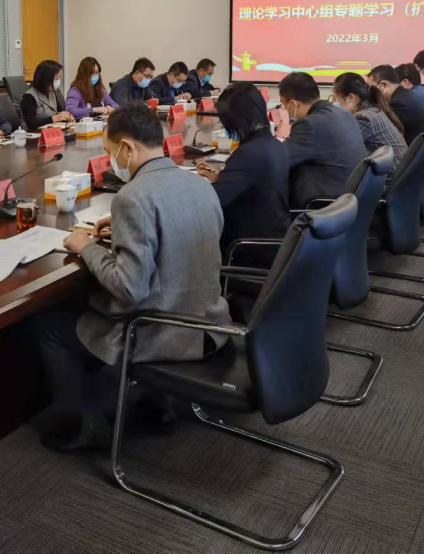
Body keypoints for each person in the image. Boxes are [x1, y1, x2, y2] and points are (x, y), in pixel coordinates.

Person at [39, 104, 230, 452]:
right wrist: (126, 231)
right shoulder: (200, 184)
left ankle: (86, 423)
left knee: (51, 326)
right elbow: (180, 236)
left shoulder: (132, 196)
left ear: (127, 148)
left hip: (163, 331)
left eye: (110, 152)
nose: (111, 161)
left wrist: (85, 247)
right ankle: (152, 401)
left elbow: (129, 288)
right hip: (209, 322)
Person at [194, 82, 289, 262]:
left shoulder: (249, 153)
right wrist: (222, 178)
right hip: (274, 240)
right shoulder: (275, 145)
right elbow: (254, 186)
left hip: (247, 249)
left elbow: (212, 201)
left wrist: (188, 187)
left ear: (235, 120)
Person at [279, 72, 366, 209]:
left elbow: (279, 160)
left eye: (283, 104)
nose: (284, 109)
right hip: (348, 200)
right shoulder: (344, 114)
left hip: (323, 205)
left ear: (293, 104)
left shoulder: (310, 124)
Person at [330, 72, 407, 170]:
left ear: (351, 98)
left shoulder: (363, 117)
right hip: (396, 171)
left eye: (335, 99)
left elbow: (339, 146)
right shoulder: (373, 110)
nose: (333, 103)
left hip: (390, 176)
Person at [367, 64, 424, 144]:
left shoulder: (397, 103)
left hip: (416, 148)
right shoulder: (407, 95)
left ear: (384, 85)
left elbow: (384, 133)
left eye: (371, 89)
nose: (369, 93)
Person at [21, 59, 75, 130]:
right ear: (46, 79)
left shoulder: (53, 92)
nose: (58, 81)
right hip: (37, 134)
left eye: (59, 78)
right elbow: (31, 125)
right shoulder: (29, 97)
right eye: (56, 78)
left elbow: (58, 112)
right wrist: (53, 119)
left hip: (54, 131)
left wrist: (67, 117)